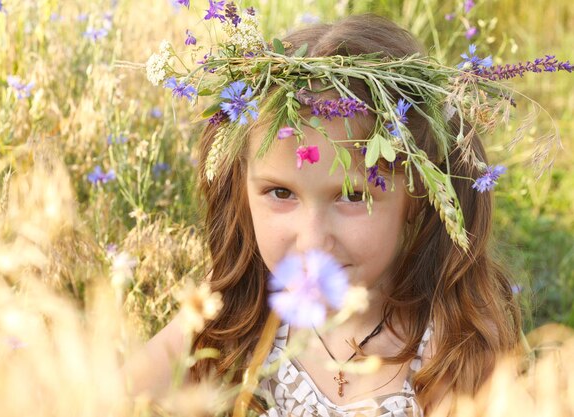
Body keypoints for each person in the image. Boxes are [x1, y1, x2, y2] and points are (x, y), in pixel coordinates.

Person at [124, 13, 522, 417]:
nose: (312, 240)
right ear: (242, 190)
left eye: (351, 195)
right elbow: (111, 398)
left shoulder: (452, 344)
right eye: (281, 193)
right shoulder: (232, 314)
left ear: (417, 194)